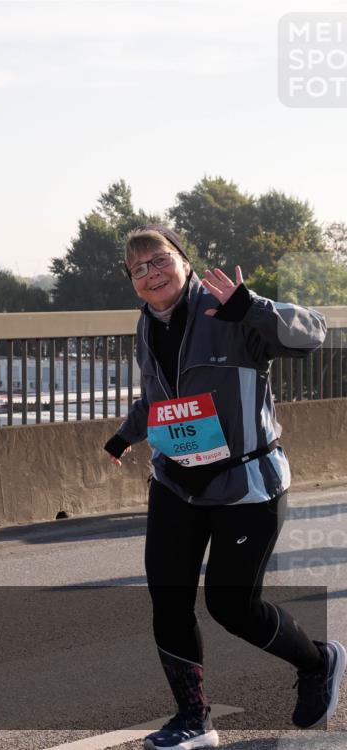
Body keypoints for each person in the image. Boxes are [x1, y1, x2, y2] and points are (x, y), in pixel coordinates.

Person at [103, 225, 344, 750]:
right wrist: (124, 436)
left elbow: (314, 332)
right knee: (168, 599)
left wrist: (251, 306)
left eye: (159, 260)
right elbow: (159, 397)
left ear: (185, 261)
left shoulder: (229, 309)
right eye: (138, 269)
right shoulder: (146, 324)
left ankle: (318, 661)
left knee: (233, 607)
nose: (151, 274)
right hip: (175, 479)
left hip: (245, 481)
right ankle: (194, 720)